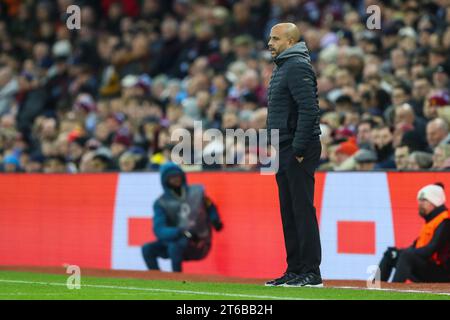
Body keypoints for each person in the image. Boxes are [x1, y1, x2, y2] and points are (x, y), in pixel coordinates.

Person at [265, 23, 323, 287]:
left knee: (301, 210)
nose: (270, 43)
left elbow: (309, 109)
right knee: (289, 211)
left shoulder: (296, 66)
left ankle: (311, 272)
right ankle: (295, 269)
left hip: (297, 147)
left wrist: (299, 148)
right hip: (283, 147)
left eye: (275, 39)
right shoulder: (283, 67)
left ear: (290, 41)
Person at [142, 162, 223, 272]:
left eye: (177, 176)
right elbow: (159, 229)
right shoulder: (161, 203)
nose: (176, 179)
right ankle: (157, 279)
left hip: (198, 242)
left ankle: (177, 279)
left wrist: (215, 220)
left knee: (175, 247)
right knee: (147, 249)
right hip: (175, 240)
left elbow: (210, 206)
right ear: (165, 181)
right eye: (171, 177)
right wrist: (179, 231)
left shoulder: (197, 193)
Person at [378, 183, 450, 283]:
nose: (419, 203)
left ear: (435, 202)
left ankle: (393, 293)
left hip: (443, 274)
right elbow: (417, 247)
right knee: (391, 254)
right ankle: (374, 289)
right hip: (428, 267)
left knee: (407, 255)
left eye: (424, 200)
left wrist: (406, 253)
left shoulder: (446, 221)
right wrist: (399, 252)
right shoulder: (431, 220)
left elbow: (430, 250)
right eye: (419, 200)